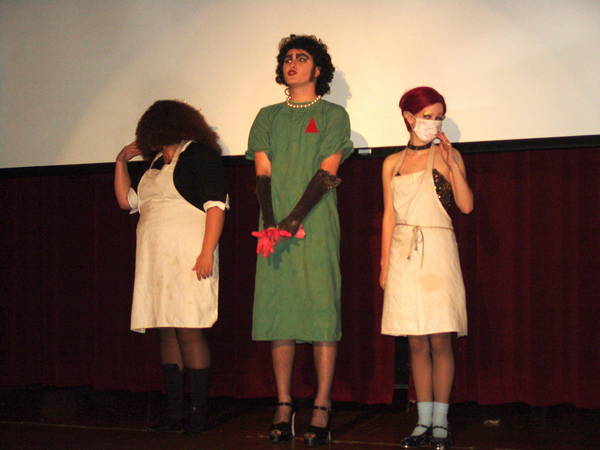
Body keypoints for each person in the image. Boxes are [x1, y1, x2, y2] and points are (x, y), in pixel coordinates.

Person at [246, 34, 354, 447]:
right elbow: (262, 173)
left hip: (316, 223)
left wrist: (294, 220)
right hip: (273, 229)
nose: (292, 63)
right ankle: (284, 404)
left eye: (302, 57)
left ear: (317, 69)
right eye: (287, 58)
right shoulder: (267, 116)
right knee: (279, 312)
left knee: (321, 310)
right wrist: (274, 223)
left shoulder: (333, 115)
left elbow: (328, 171)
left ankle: (322, 405)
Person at [113, 100, 228, 433]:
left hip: (189, 254)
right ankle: (175, 411)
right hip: (156, 259)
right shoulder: (152, 164)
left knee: (188, 327)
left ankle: (198, 412)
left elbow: (216, 207)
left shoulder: (199, 156)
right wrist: (121, 162)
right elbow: (125, 201)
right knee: (166, 328)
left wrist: (206, 252)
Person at [380, 87, 473, 450]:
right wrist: (384, 264)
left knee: (440, 339)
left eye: (439, 117)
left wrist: (452, 164)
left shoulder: (448, 155)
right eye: (427, 116)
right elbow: (389, 215)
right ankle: (422, 421)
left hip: (438, 249)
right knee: (416, 341)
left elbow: (466, 206)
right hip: (404, 253)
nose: (434, 123)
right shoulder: (392, 163)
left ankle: (441, 421)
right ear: (409, 117)